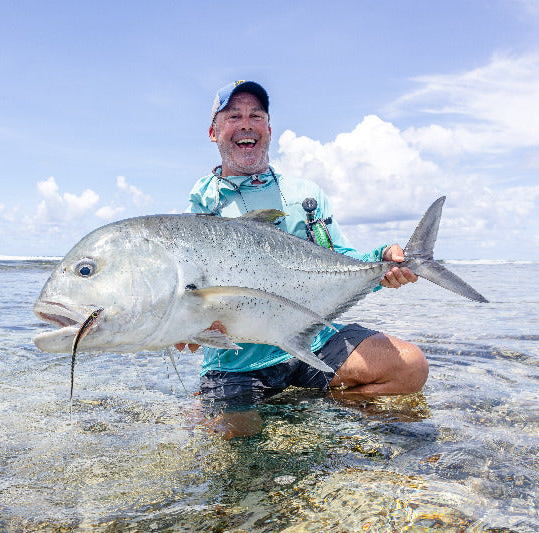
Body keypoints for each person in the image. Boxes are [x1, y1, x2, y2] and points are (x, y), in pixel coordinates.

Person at [177, 80, 428, 417]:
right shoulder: (203, 208)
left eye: (256, 115)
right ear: (214, 131)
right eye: (234, 116)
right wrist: (187, 324)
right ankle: (289, 414)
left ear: (269, 128)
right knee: (235, 455)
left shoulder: (304, 196)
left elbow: (341, 260)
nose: (246, 124)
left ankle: (307, 411)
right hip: (236, 362)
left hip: (312, 342)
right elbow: (193, 293)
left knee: (410, 367)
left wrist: (381, 261)